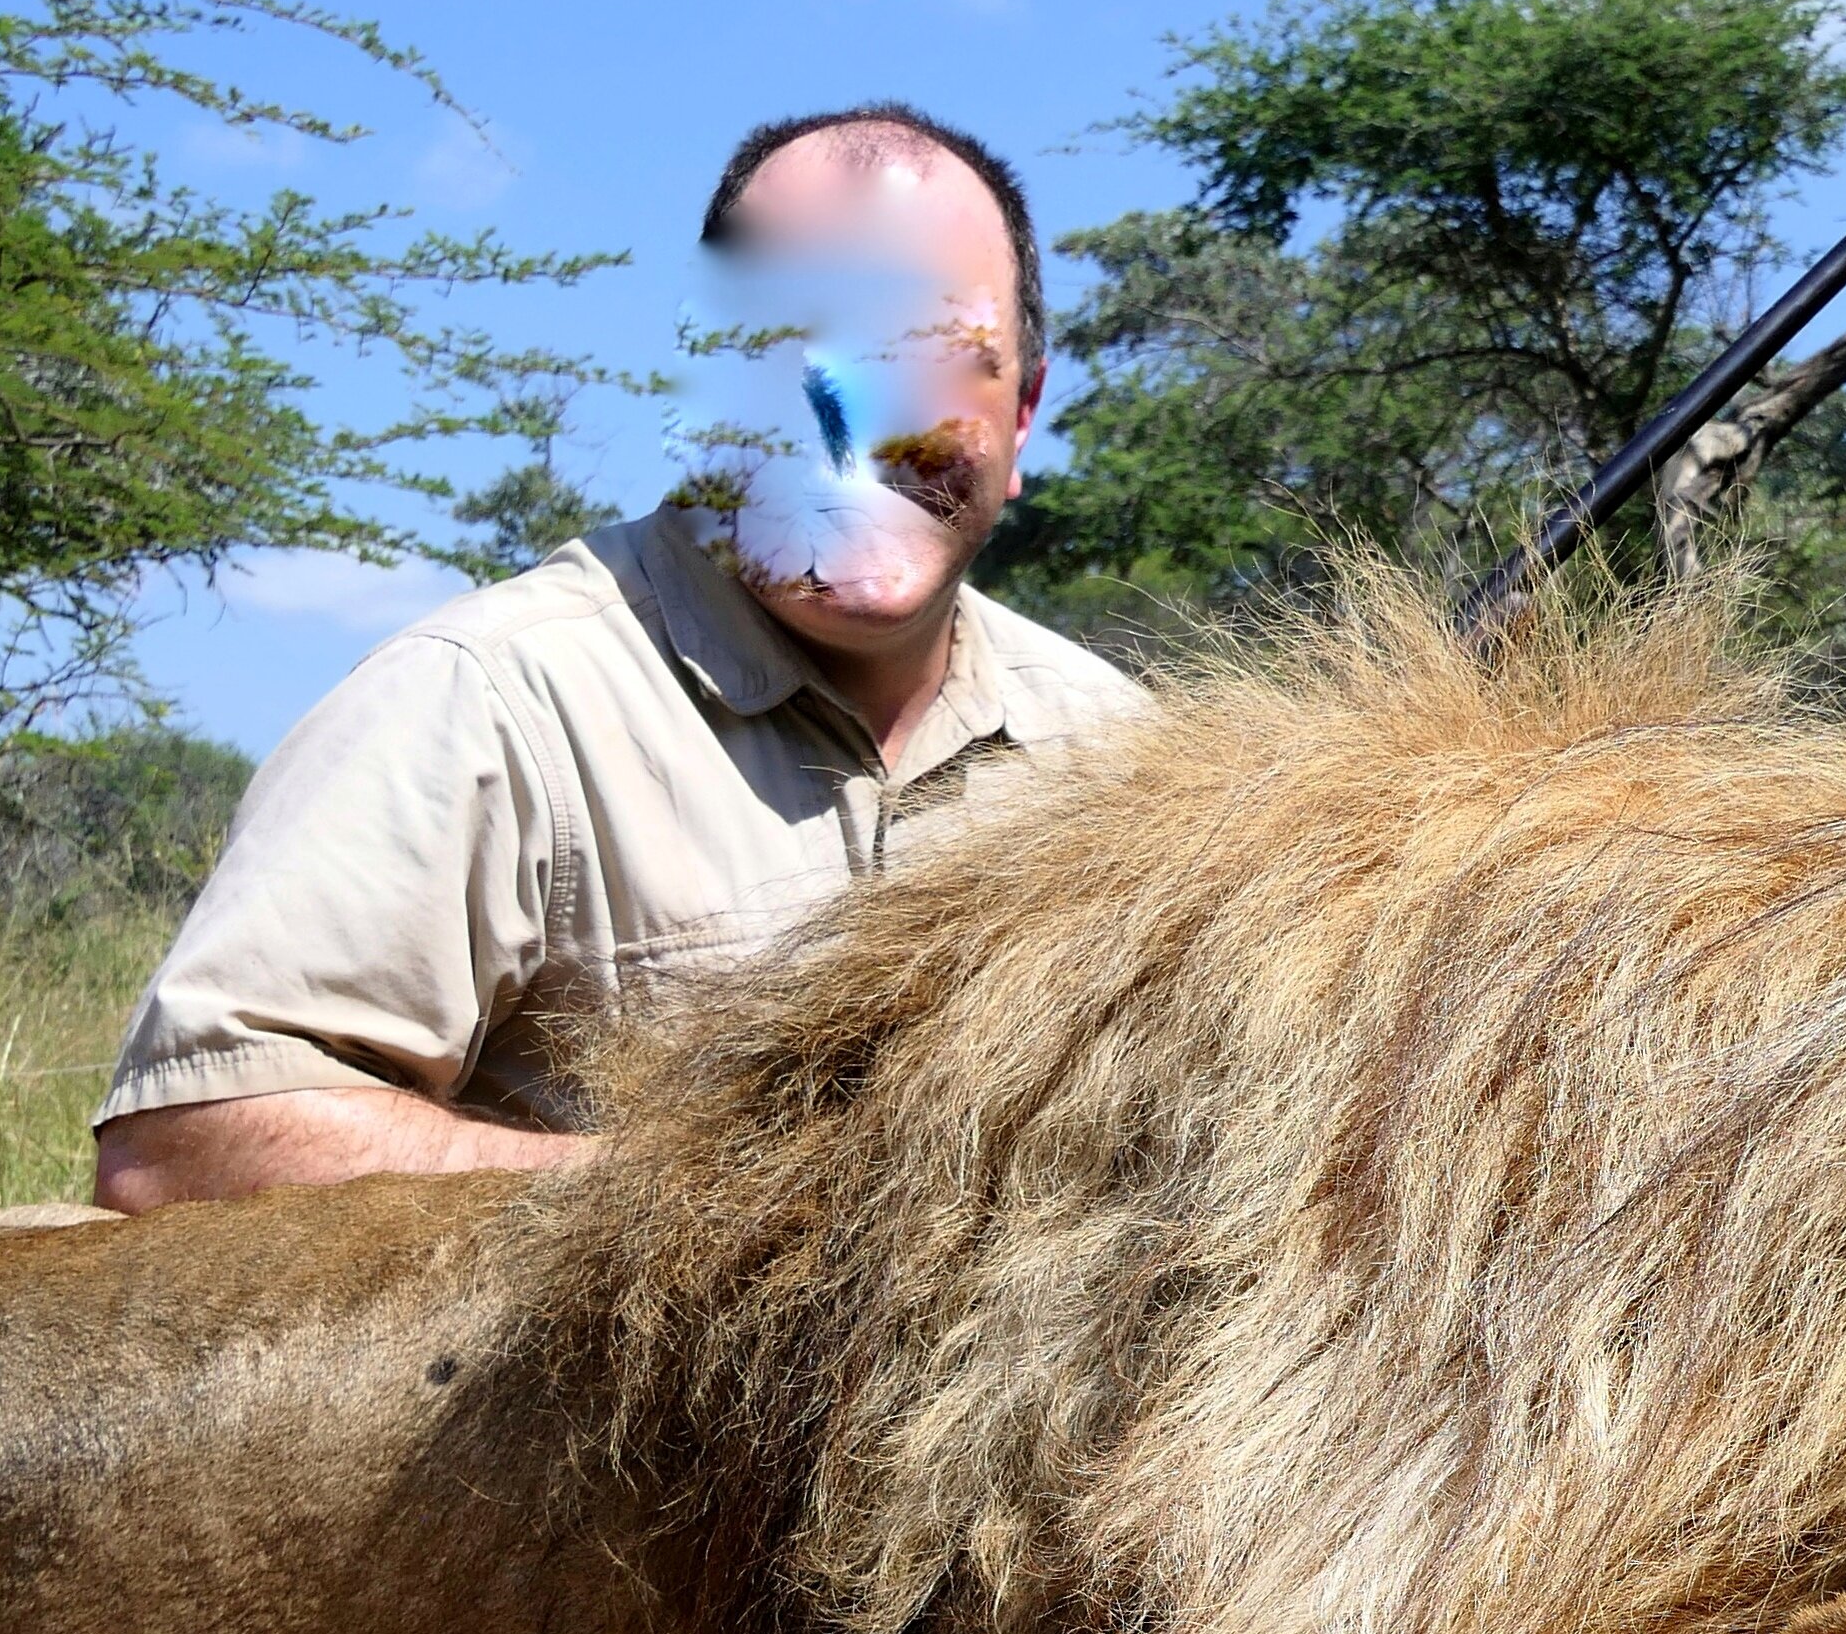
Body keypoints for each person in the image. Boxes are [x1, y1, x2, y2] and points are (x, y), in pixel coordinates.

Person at [88, 103, 1145, 1209]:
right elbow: (186, 1149)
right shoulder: (487, 698)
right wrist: (728, 1202)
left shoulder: (1130, 757)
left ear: (1021, 415)